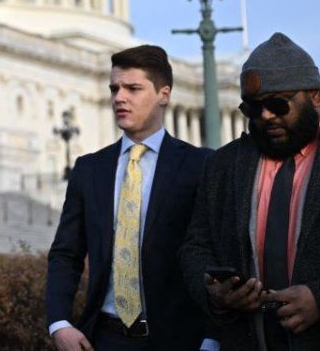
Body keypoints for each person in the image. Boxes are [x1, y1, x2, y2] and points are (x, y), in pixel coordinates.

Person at [180, 33, 320, 350]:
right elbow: (195, 247)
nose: (266, 116)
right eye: (253, 108)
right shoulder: (221, 165)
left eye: (278, 104)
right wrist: (214, 291)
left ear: (315, 97)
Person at [46, 45, 215, 350]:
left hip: (180, 341)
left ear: (163, 94)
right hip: (104, 338)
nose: (119, 98)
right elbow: (66, 254)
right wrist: (59, 323)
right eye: (114, 88)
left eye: (133, 88)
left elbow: (217, 255)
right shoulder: (89, 169)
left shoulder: (201, 165)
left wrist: (212, 338)